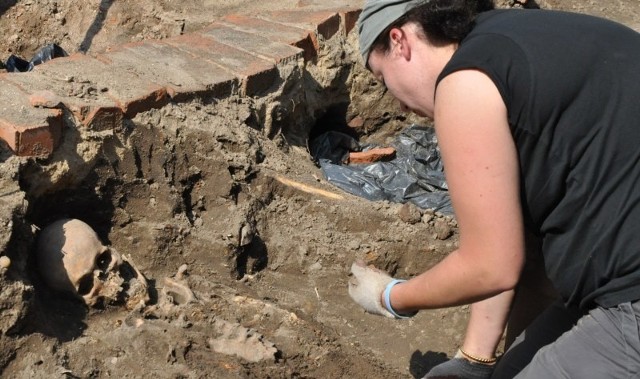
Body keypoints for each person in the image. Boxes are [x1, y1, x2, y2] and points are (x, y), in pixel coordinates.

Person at [347, 0, 640, 378]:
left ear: (399, 41)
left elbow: (490, 266)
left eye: (383, 79)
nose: (399, 106)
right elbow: (517, 249)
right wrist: (475, 360)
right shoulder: (522, 43)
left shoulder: (465, 83)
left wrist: (390, 297)